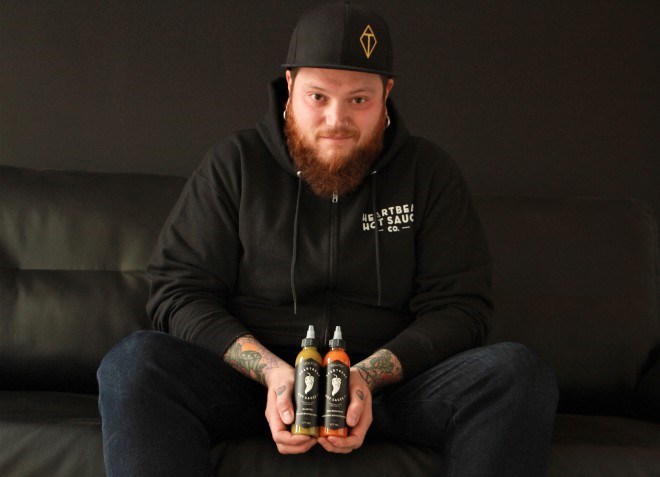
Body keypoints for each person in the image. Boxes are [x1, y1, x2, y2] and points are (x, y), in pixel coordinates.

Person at [97, 3, 558, 476]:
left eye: (359, 100)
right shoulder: (234, 163)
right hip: (255, 389)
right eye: (318, 97)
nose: (336, 120)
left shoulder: (429, 173)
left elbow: (462, 308)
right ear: (291, 86)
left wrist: (364, 379)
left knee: (517, 374)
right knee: (135, 364)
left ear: (387, 94)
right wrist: (276, 376)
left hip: (391, 393)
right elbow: (179, 293)